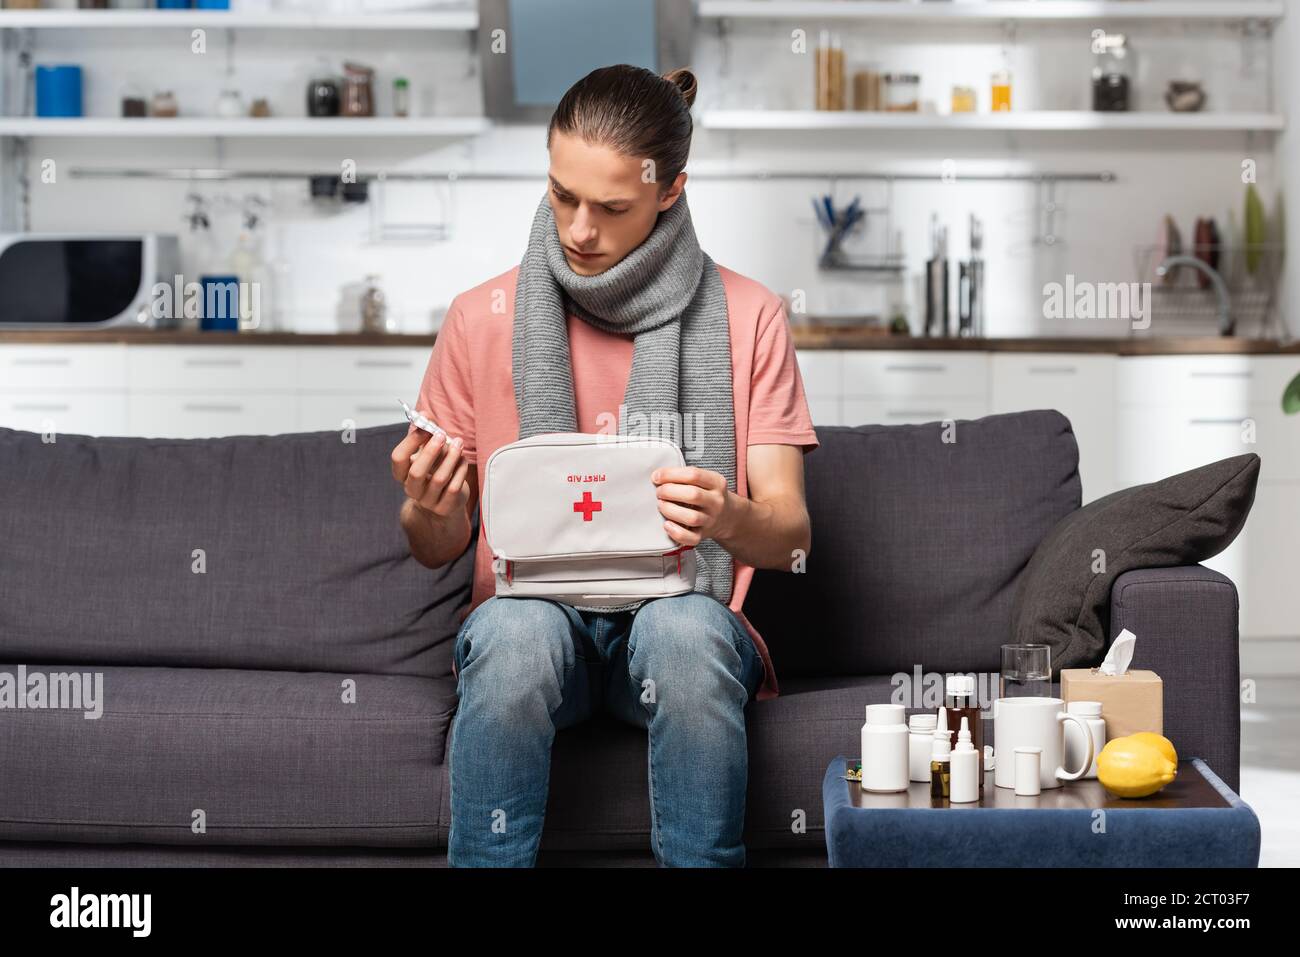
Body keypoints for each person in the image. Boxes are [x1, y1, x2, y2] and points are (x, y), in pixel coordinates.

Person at [389, 64, 819, 867]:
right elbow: (433, 544)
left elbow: (791, 533)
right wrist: (431, 504)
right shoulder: (480, 317)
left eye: (611, 206)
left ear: (669, 190)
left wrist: (727, 515)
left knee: (686, 631)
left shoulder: (750, 315)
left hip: (676, 617)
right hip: (533, 621)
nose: (579, 230)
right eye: (561, 196)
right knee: (515, 636)